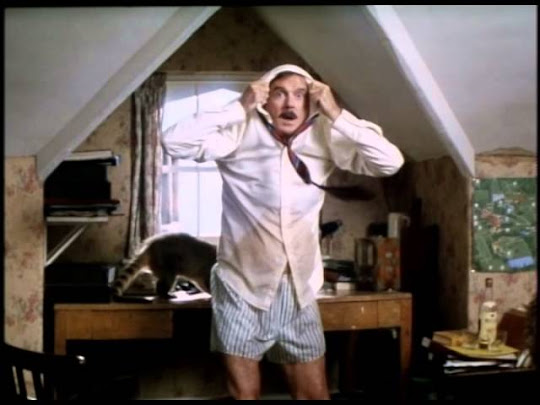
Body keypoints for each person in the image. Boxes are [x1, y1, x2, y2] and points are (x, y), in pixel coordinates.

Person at [162, 64, 404, 399]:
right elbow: (173, 141)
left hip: (298, 288)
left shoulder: (325, 134)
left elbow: (390, 162)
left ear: (311, 101)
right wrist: (239, 107)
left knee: (314, 395)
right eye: (279, 93)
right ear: (265, 99)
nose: (290, 103)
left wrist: (336, 113)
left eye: (300, 94)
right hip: (241, 287)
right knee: (245, 396)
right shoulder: (240, 129)